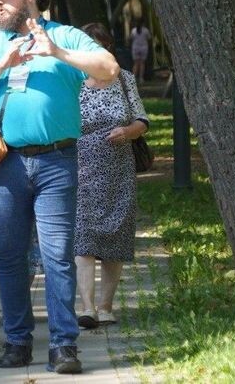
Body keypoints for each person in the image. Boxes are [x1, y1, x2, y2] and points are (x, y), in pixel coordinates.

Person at [0, 0, 119, 374]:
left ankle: (64, 345)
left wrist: (57, 53)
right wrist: (3, 65)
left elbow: (110, 69)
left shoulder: (63, 35)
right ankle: (17, 341)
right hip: (4, 164)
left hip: (56, 162)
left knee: (58, 256)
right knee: (8, 257)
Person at [74, 23, 149, 329]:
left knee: (115, 235)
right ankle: (88, 307)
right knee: (83, 238)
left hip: (118, 167)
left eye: (103, 47)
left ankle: (106, 305)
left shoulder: (125, 79)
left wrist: (128, 131)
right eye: (91, 47)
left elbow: (142, 120)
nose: (99, 53)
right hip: (79, 167)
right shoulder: (71, 80)